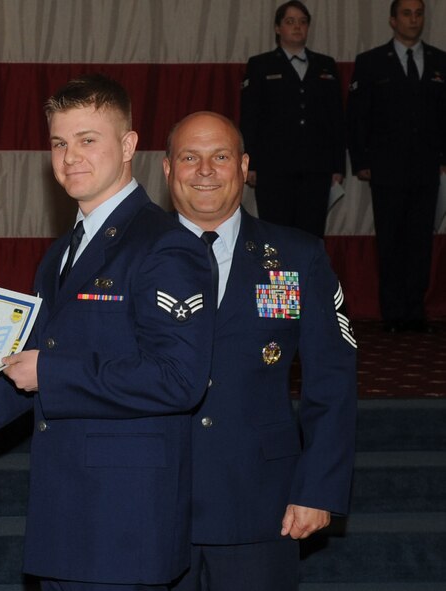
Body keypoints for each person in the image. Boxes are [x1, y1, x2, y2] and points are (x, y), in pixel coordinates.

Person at [0, 74, 215, 589]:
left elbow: (179, 378)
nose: (70, 156)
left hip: (123, 526)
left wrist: (52, 371)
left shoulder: (165, 245)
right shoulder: (62, 254)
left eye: (87, 140)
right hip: (67, 517)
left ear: (128, 146)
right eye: (59, 142)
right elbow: (25, 365)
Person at [163, 112, 358, 591]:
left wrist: (318, 488)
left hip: (261, 504)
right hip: (152, 502)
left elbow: (331, 382)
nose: (205, 170)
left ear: (244, 166)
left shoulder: (296, 256)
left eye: (220, 156)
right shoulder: (129, 258)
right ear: (168, 170)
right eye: (190, 157)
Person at [347, 0, 446, 333]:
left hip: (427, 169)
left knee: (420, 243)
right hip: (385, 169)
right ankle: (393, 314)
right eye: (406, 13)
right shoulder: (372, 62)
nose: (413, 19)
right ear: (393, 20)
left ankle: (414, 312)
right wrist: (361, 161)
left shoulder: (439, 61)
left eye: (419, 14)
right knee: (390, 243)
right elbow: (358, 117)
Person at [239, 0, 346, 239]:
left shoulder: (325, 65)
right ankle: (276, 279)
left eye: (302, 22)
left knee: (311, 235)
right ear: (278, 28)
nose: (297, 27)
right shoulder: (260, 65)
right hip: (273, 169)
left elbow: (336, 119)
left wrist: (338, 165)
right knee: (276, 234)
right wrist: (250, 163)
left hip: (316, 169)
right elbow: (250, 116)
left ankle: (308, 279)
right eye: (290, 21)